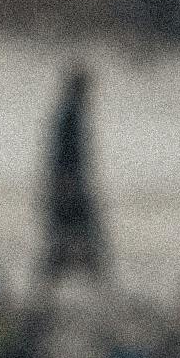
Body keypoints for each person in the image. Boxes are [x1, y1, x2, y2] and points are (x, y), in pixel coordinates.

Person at [40, 51, 108, 285]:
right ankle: (95, 276)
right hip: (69, 182)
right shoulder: (71, 114)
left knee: (66, 233)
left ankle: (55, 277)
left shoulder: (69, 111)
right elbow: (67, 152)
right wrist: (68, 181)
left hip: (66, 180)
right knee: (79, 231)